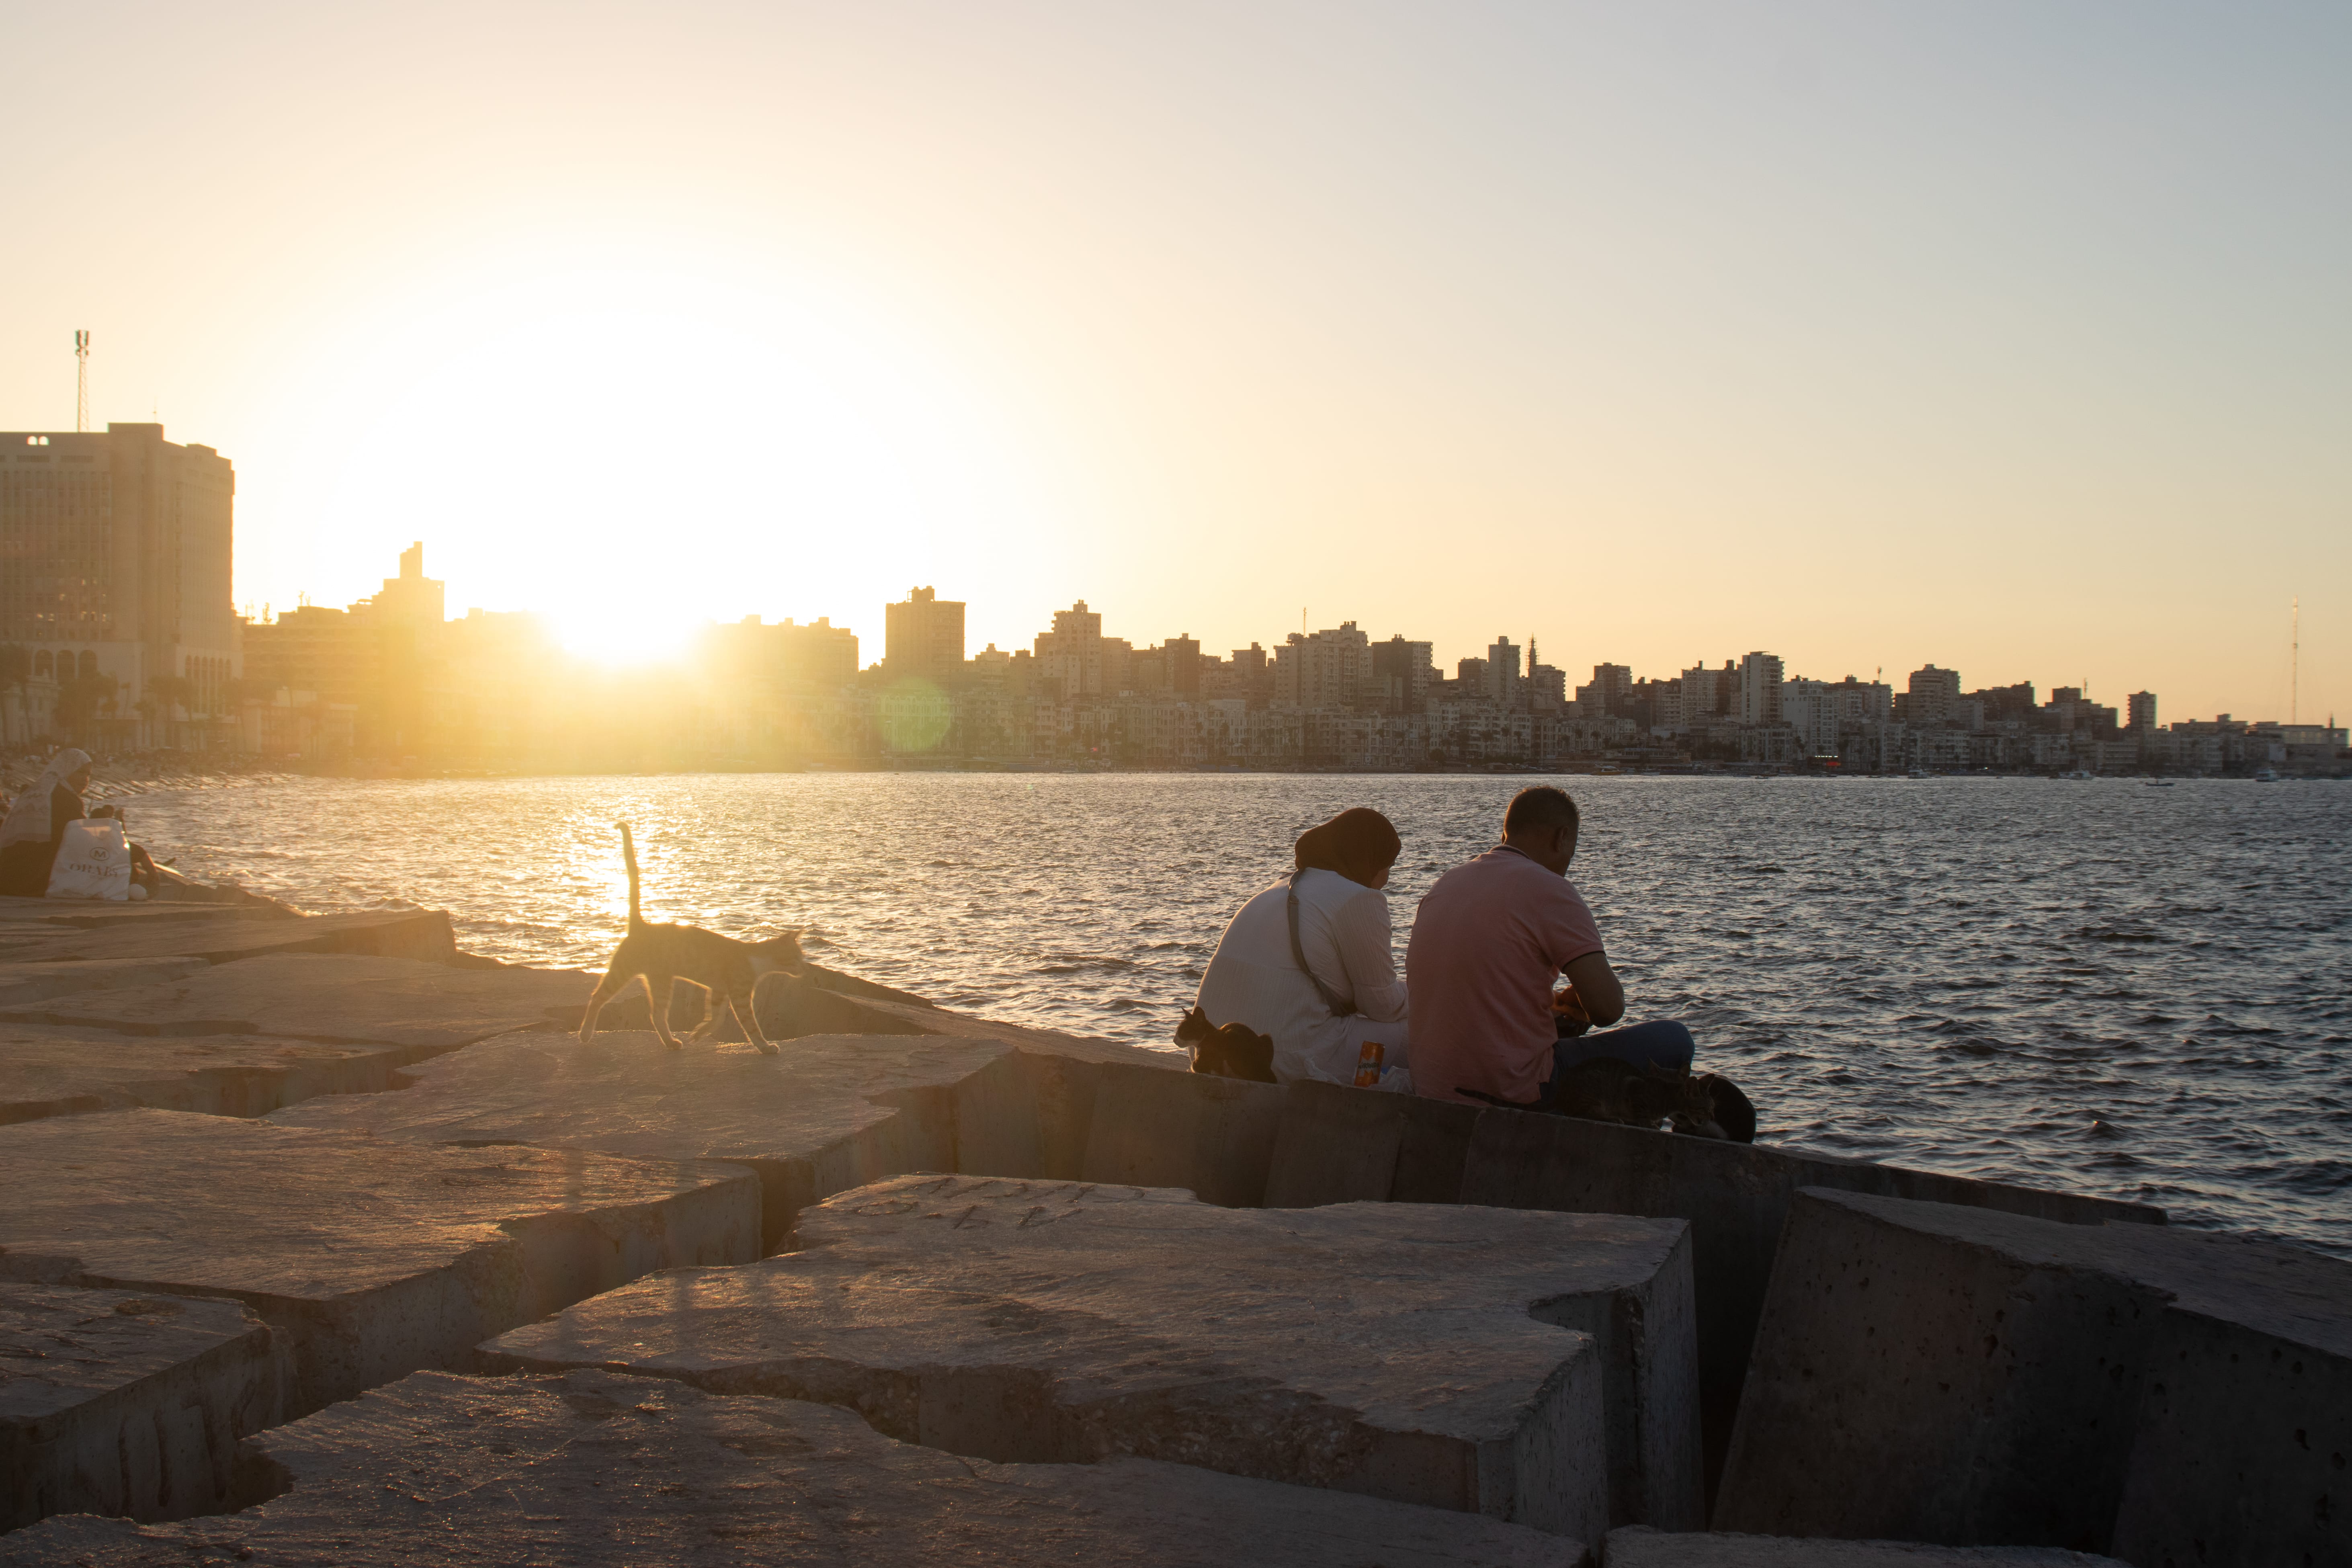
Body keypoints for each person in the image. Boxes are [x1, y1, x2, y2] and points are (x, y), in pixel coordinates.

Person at [1406, 785, 1695, 1108]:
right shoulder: (1550, 888)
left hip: (1432, 1086)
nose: (1569, 862)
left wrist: (1557, 1004)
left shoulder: (1447, 883)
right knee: (1675, 1040)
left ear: (1506, 835)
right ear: (1562, 837)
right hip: (1510, 1090)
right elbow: (1608, 1010)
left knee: (1565, 1028)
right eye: (1573, 851)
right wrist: (1588, 1000)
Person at [1192, 807, 1412, 1086]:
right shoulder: (1358, 898)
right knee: (1419, 1033)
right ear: (1372, 860)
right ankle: (1366, 1092)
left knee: (1370, 1036)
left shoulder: (1280, 888)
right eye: (1389, 865)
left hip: (1207, 1053)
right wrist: (1427, 994)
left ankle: (1367, 1085)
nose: (1387, 878)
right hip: (1279, 1059)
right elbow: (1382, 1006)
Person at [0, 750, 160, 899]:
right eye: (80, 773)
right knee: (122, 870)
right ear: (66, 771)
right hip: (32, 878)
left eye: (88, 775)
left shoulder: (39, 792)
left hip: (11, 873)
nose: (85, 780)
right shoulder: (63, 798)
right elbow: (90, 838)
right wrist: (141, 855)